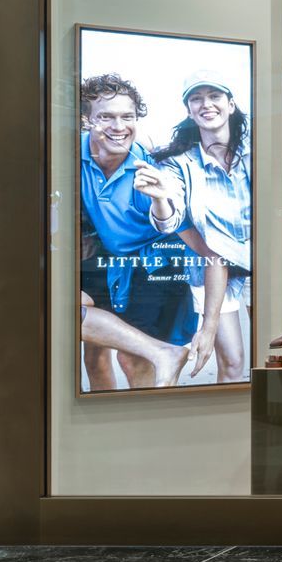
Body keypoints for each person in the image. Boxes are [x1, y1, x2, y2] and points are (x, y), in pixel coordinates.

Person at [77, 74, 199, 389]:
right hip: (106, 259)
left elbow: (168, 221)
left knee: (134, 360)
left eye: (127, 117)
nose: (119, 126)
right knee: (84, 342)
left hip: (156, 265)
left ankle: (151, 427)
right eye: (107, 116)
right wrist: (83, 230)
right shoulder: (69, 154)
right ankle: (105, 425)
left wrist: (160, 198)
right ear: (86, 120)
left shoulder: (149, 163)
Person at [150, 69, 252, 383]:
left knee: (274, 352)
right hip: (214, 266)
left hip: (260, 263)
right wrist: (160, 198)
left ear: (231, 104)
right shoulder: (178, 164)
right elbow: (171, 221)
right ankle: (227, 430)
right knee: (233, 363)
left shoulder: (256, 153)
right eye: (196, 98)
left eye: (214, 96)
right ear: (189, 110)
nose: (206, 104)